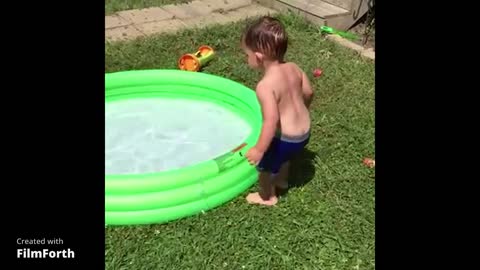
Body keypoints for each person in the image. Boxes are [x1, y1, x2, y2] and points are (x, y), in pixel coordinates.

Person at [242, 16, 314, 206]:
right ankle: (282, 180)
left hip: (287, 139)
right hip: (305, 133)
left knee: (264, 166)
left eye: (246, 54)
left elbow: (271, 121)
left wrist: (259, 150)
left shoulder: (265, 86)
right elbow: (309, 92)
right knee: (284, 158)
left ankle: (267, 196)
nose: (246, 58)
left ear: (258, 57)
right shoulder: (294, 68)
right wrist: (303, 109)